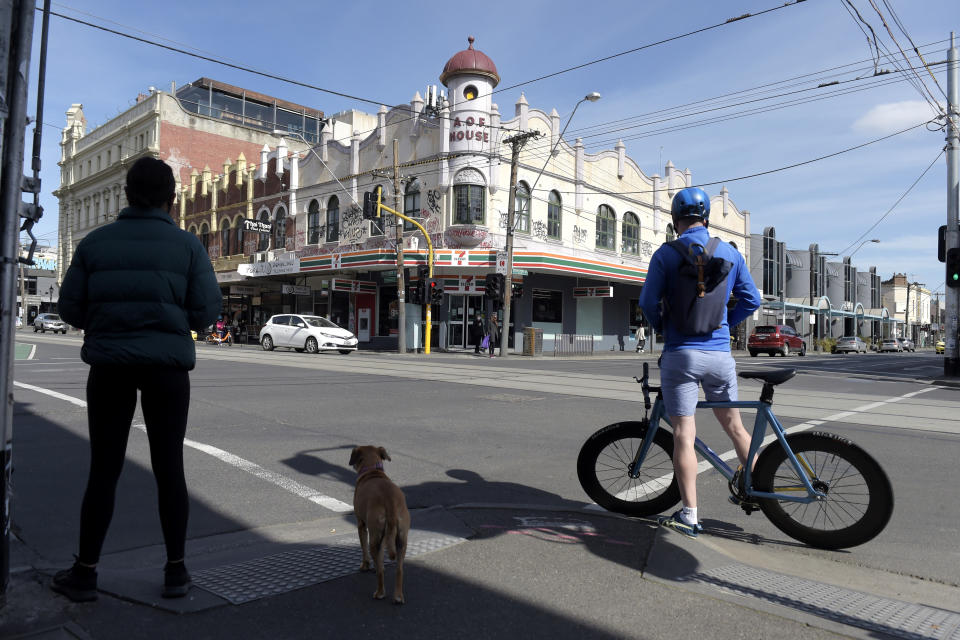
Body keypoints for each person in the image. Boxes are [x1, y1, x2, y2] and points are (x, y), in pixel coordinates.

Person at [53, 157, 222, 601]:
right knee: (170, 468)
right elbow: (207, 312)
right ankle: (176, 572)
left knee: (104, 470)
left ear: (127, 195)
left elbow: (69, 309)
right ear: (171, 199)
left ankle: (86, 572)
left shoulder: (94, 243)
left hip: (109, 367)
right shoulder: (188, 247)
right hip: (167, 370)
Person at [638, 187, 762, 539]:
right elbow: (752, 299)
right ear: (706, 217)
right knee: (736, 428)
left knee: (683, 433)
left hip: (681, 354)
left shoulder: (665, 254)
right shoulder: (729, 253)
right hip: (721, 355)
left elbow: (647, 301)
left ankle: (690, 514)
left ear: (676, 220)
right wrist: (725, 319)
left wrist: (663, 326)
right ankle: (756, 487)